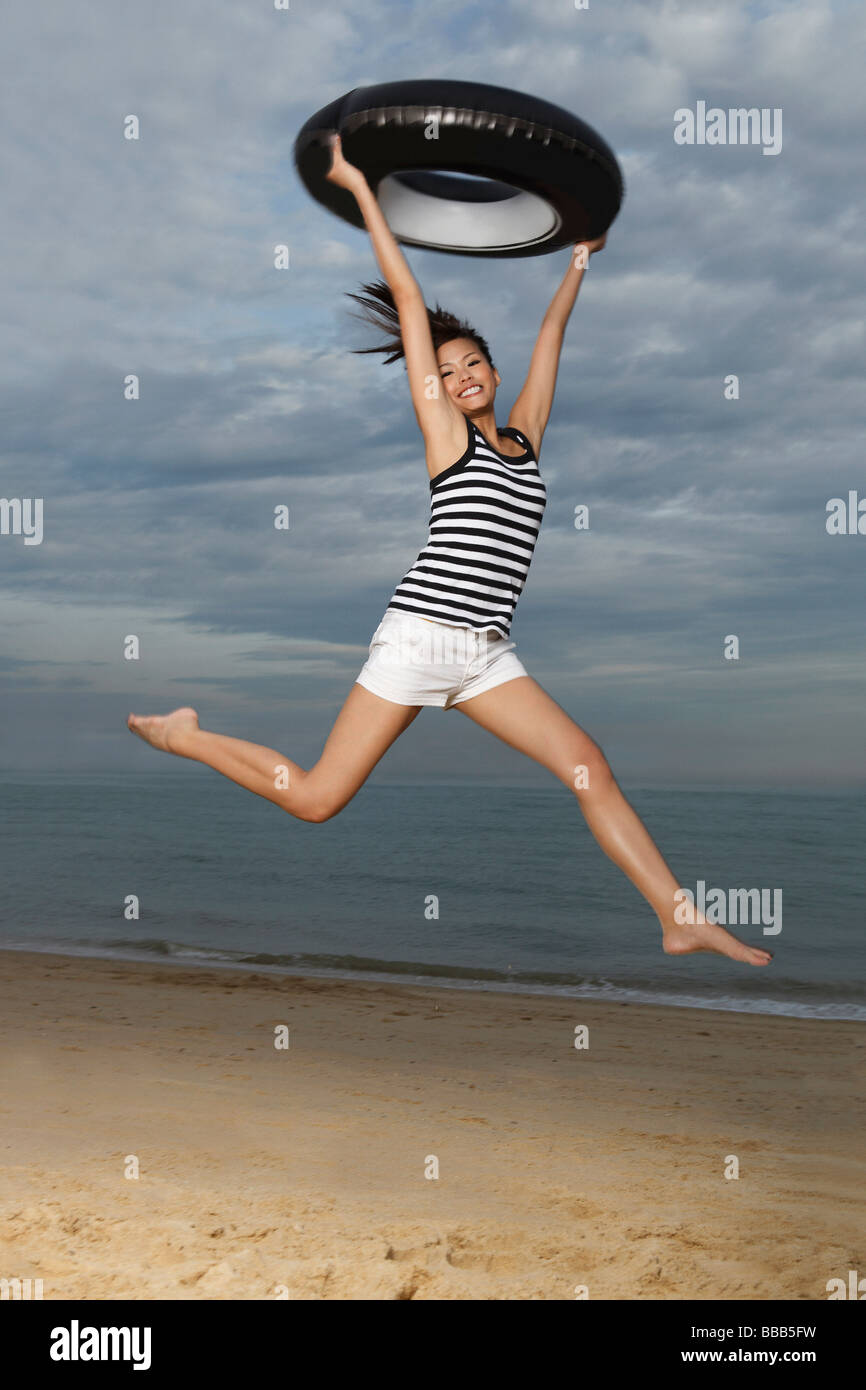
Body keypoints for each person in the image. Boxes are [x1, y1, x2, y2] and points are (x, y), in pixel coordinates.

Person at [128, 133, 771, 968]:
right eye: (447, 369)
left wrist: (580, 260)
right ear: (435, 385)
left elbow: (551, 343)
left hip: (487, 653)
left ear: (493, 373)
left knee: (587, 765)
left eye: (474, 362)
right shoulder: (445, 439)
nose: (463, 375)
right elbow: (406, 292)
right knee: (319, 800)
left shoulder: (526, 438)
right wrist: (362, 187)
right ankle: (186, 735)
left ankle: (676, 914)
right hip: (421, 633)